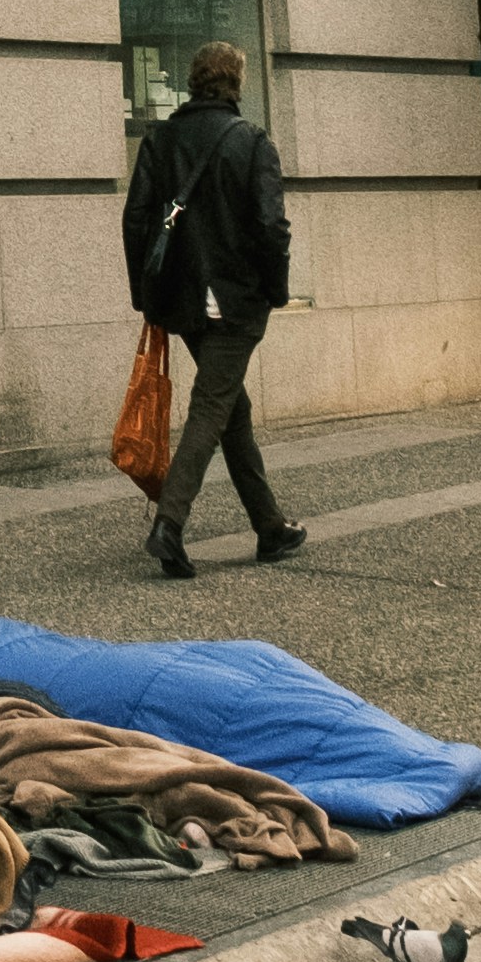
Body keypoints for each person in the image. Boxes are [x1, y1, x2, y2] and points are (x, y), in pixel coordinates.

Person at [123, 34, 307, 579]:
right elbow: (272, 228)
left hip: (183, 303)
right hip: (235, 301)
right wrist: (276, 290)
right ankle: (169, 525)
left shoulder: (161, 139)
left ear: (194, 82)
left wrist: (146, 295)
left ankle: (270, 527)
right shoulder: (251, 141)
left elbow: (135, 219)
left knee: (232, 409)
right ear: (237, 83)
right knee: (211, 408)